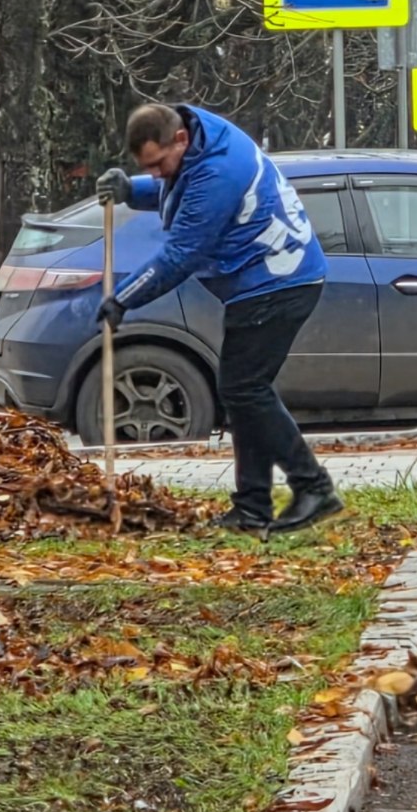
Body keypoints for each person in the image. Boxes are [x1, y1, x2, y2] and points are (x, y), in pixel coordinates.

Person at [94, 101, 334, 534]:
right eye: (147, 167)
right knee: (246, 394)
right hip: (263, 281)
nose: (158, 174)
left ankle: (313, 486)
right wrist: (132, 189)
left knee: (244, 390)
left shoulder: (219, 169)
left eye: (159, 163)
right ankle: (253, 507)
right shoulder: (199, 142)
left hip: (278, 280)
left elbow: (182, 254)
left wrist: (122, 299)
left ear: (179, 140)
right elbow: (176, 187)